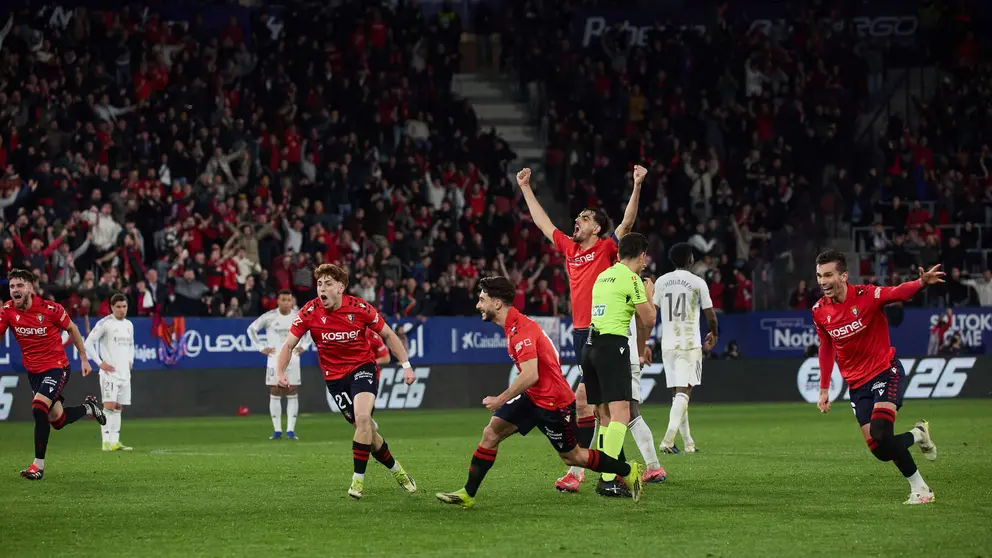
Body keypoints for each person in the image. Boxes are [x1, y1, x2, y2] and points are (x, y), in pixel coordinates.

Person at [515, 166, 664, 492]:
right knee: (600, 410)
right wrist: (525, 188)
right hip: (584, 334)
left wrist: (637, 185)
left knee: (589, 404)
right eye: (578, 217)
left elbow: (627, 222)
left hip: (606, 331)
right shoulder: (569, 248)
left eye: (584, 218)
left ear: (596, 228)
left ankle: (584, 472)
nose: (577, 221)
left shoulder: (606, 248)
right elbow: (542, 223)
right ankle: (612, 473)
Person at [435, 277, 644, 508]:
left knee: (574, 457)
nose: (478, 305)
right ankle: (467, 493)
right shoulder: (513, 326)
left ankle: (628, 470)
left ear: (497, 304)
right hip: (533, 397)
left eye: (482, 300)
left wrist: (500, 399)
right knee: (491, 433)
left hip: (554, 403)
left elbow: (530, 374)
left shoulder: (521, 330)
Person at [275, 263, 417, 499]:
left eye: (328, 283)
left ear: (341, 287)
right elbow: (289, 345)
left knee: (363, 418)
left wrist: (406, 366)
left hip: (362, 368)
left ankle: (357, 483)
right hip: (334, 378)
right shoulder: (310, 312)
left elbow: (389, 335)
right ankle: (398, 471)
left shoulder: (359, 308)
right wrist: (280, 372)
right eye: (320, 284)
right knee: (366, 431)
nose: (323, 288)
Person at [812, 250, 941, 505]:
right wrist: (824, 388)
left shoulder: (867, 296)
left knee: (882, 433)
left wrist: (921, 283)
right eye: (819, 276)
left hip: (884, 370)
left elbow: (897, 292)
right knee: (879, 450)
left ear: (843, 276)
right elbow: (826, 347)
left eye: (828, 275)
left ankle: (921, 490)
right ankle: (918, 434)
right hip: (857, 385)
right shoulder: (819, 311)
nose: (823, 281)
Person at [0, 269, 106, 480]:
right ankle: (89, 407)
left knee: (39, 407)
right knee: (57, 420)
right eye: (12, 286)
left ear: (30, 287)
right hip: (34, 372)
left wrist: (84, 358)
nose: (15, 290)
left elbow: (73, 329)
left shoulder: (50, 309)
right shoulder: (8, 311)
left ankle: (37, 466)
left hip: (56, 367)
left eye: (19, 285)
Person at [582, 233, 657, 497]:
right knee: (622, 415)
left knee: (603, 417)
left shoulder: (603, 275)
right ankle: (607, 478)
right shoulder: (632, 278)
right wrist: (649, 295)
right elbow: (648, 319)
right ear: (641, 256)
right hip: (612, 348)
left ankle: (607, 475)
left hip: (589, 348)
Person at [653, 243, 718, 454]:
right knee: (685, 390)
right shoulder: (697, 282)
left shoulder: (661, 282)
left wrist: (645, 341)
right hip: (689, 344)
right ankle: (668, 440)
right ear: (690, 260)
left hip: (668, 344)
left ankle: (688, 443)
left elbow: (652, 313)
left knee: (677, 393)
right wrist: (714, 332)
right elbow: (710, 314)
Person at [247, 290, 312, 440]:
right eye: (283, 299)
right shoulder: (270, 316)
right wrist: (261, 347)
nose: (286, 303)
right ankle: (277, 430)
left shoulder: (298, 316)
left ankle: (290, 430)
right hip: (274, 357)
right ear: (278, 301)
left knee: (292, 389)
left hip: (293, 357)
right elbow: (251, 329)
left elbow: (310, 329)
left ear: (292, 301)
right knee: (275, 389)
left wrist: (305, 345)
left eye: (288, 300)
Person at [83, 293, 136, 451]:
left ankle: (115, 441)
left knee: (119, 407)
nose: (122, 310)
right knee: (109, 406)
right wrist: (100, 363)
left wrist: (130, 360)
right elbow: (88, 344)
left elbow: (131, 344)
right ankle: (106, 441)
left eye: (124, 306)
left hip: (124, 373)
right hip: (109, 374)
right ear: (112, 307)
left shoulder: (129, 325)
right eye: (118, 307)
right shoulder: (105, 323)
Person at [326, 328, 390, 412]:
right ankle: (363, 422)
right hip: (349, 373)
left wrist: (369, 363)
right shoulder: (347, 334)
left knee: (367, 404)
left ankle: (365, 421)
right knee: (355, 405)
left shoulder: (373, 336)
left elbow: (386, 358)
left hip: (370, 373)